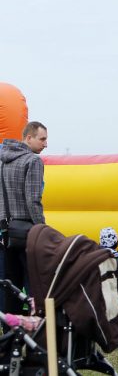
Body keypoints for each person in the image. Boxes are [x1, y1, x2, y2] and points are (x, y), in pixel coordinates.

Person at [0, 122, 47, 308]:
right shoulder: (33, 161)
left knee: (10, 285)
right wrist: (41, 229)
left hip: (4, 232)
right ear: (28, 138)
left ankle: (11, 330)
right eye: (42, 139)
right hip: (27, 233)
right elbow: (33, 200)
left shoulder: (3, 161)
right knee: (36, 283)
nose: (45, 144)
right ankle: (41, 326)